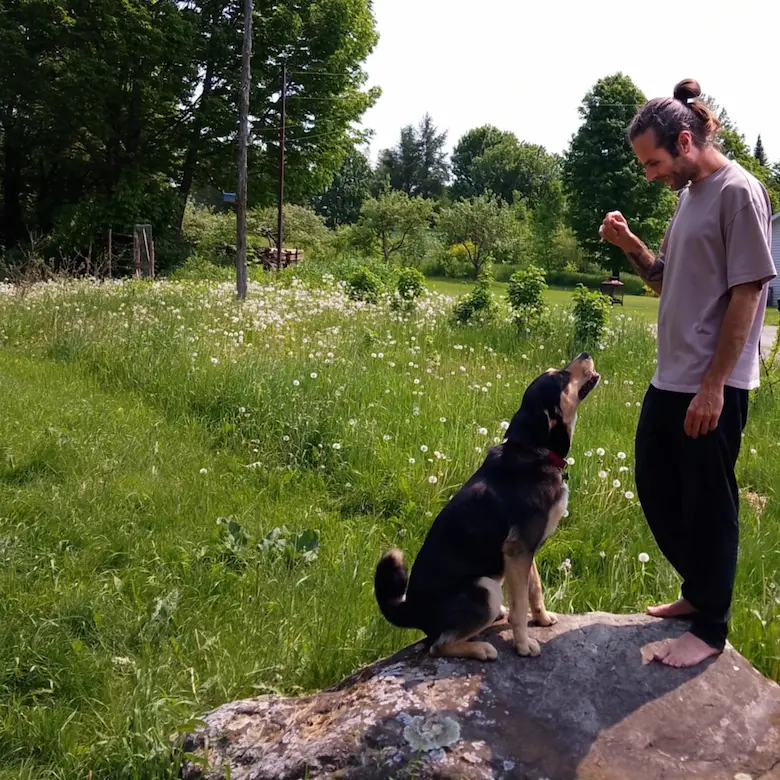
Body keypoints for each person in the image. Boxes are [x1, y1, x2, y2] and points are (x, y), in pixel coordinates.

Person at [599, 78, 776, 668]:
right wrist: (629, 244)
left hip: (710, 383)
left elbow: (750, 292)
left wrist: (714, 385)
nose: (650, 174)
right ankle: (697, 592)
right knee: (654, 482)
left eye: (653, 162)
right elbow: (663, 277)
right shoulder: (689, 196)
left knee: (709, 501)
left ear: (683, 140)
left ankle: (711, 627)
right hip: (670, 376)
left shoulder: (738, 192)